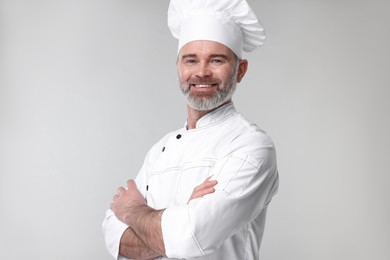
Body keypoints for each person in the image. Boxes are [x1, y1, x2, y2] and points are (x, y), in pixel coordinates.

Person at [102, 0, 279, 259]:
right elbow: (113, 236)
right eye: (191, 60)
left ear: (240, 70)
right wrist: (181, 214)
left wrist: (132, 211)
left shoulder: (251, 146)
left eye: (216, 60)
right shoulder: (160, 151)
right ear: (178, 67)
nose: (202, 72)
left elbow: (187, 239)